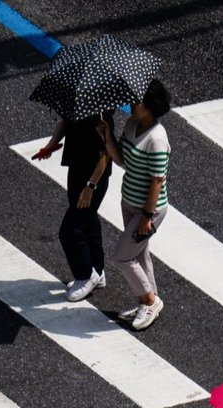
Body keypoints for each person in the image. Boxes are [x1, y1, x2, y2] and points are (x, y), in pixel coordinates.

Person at [98, 79, 171, 331]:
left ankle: (150, 300)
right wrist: (107, 135)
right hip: (128, 201)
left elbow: (157, 181)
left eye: (136, 102)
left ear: (150, 106)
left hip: (148, 209)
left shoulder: (157, 139)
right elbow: (122, 161)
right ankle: (147, 301)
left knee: (122, 256)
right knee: (139, 252)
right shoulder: (132, 125)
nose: (130, 105)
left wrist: (147, 217)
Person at [32, 112, 114, 302]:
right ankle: (97, 270)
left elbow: (106, 154)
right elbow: (65, 122)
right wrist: (51, 145)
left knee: (69, 231)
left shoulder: (102, 116)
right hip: (76, 168)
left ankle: (86, 275)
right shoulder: (81, 105)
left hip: (93, 179)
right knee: (88, 221)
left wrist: (90, 187)